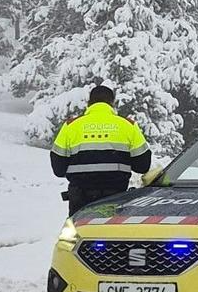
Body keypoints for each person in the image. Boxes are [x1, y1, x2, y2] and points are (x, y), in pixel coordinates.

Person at [51, 85, 151, 215]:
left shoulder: (71, 126)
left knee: (80, 233)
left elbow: (58, 169)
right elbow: (142, 166)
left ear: (89, 102)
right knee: (111, 233)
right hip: (116, 196)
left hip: (80, 199)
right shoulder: (128, 126)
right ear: (112, 103)